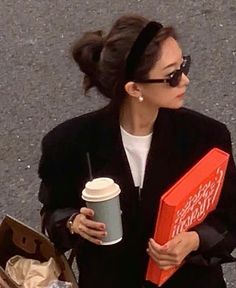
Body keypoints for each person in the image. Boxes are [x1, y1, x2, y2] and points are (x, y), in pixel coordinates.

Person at [38, 14, 236, 288]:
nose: (186, 80)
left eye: (183, 65)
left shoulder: (206, 137)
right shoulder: (68, 144)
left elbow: (229, 214)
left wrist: (194, 240)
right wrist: (73, 223)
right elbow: (52, 212)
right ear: (134, 89)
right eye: (172, 75)